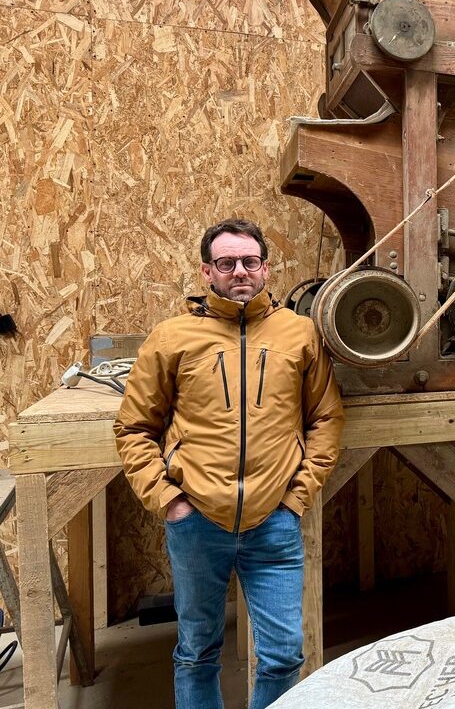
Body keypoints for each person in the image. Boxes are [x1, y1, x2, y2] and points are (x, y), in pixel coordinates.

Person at [115, 218, 344, 709]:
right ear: (207, 271)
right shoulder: (172, 337)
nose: (239, 271)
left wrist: (296, 497)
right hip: (197, 521)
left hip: (274, 523)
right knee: (198, 652)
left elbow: (325, 419)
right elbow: (134, 428)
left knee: (284, 654)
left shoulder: (299, 334)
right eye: (226, 263)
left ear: (265, 268)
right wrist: (169, 500)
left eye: (249, 261)